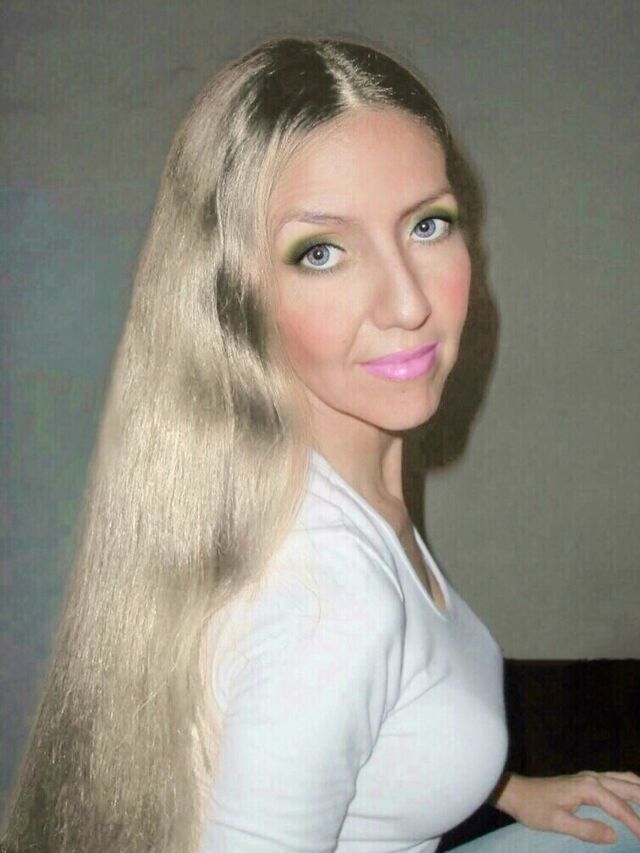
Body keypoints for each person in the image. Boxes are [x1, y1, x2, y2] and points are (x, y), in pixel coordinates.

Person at [1, 36, 639, 853]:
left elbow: (373, 718)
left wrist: (507, 789)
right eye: (322, 252)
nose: (407, 303)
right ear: (234, 296)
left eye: (428, 224)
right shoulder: (330, 598)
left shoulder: (325, 484)